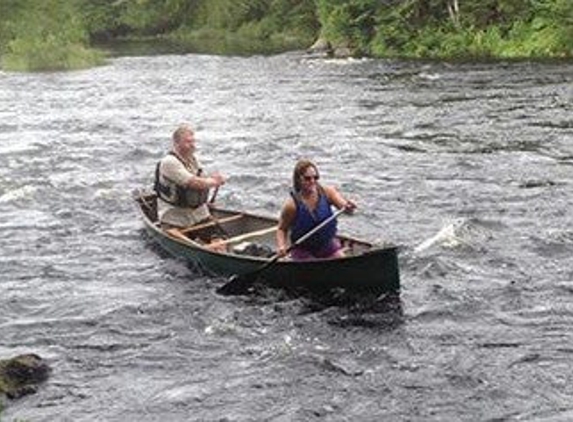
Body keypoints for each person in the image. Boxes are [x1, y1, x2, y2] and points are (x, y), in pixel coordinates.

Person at [276, 159, 357, 261]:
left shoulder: (328, 192)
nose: (312, 181)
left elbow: (344, 208)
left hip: (326, 245)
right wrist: (281, 246)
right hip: (303, 249)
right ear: (298, 179)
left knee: (341, 261)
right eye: (307, 178)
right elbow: (282, 229)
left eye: (315, 177)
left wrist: (349, 207)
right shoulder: (291, 206)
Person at [154, 124, 226, 228]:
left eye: (193, 141)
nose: (193, 145)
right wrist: (215, 182)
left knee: (220, 242)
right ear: (176, 143)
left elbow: (202, 177)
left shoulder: (192, 159)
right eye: (188, 142)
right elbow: (195, 183)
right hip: (175, 219)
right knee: (214, 244)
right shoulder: (169, 162)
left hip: (199, 215)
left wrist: (214, 178)